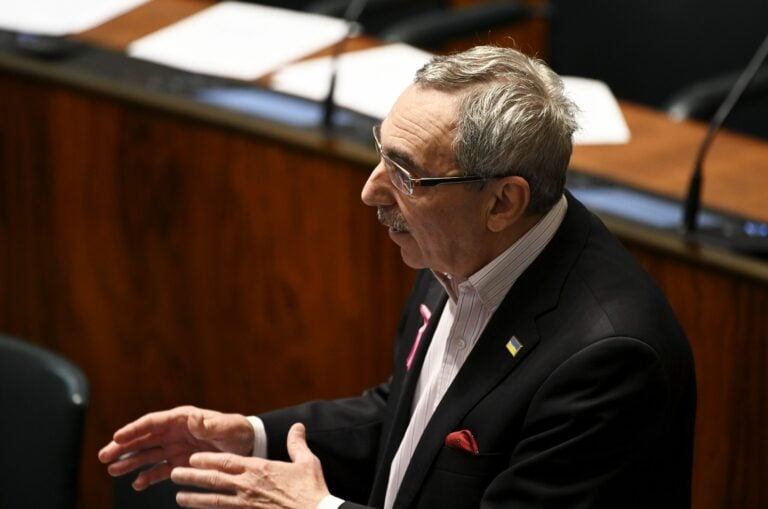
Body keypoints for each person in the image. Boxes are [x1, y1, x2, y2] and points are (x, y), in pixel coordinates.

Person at [99, 46, 696, 509]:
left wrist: (318, 507)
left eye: (406, 175)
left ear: (503, 202)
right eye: (381, 152)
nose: (371, 190)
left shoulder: (610, 361)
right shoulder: (460, 248)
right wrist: (253, 437)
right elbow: (415, 420)